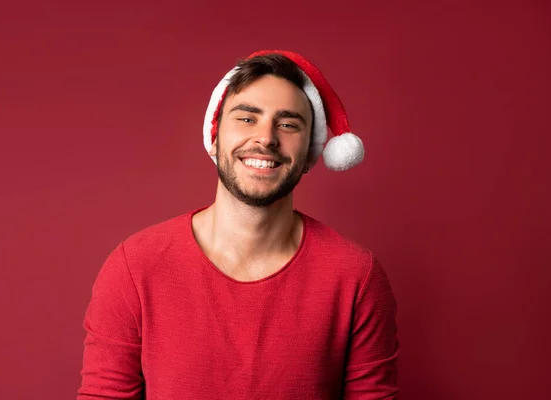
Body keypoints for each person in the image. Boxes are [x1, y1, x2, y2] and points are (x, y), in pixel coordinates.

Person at [77, 50, 399, 399]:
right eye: (247, 118)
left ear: (310, 153)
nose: (266, 138)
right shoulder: (134, 268)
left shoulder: (356, 276)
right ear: (214, 138)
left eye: (288, 124)